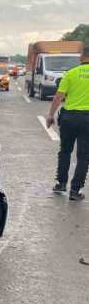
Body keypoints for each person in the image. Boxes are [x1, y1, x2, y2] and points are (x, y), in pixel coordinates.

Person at [46, 47, 89, 201]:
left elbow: (59, 96)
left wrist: (50, 115)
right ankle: (75, 191)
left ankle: (61, 183)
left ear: (82, 57)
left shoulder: (70, 73)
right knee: (84, 156)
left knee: (65, 151)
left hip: (69, 118)